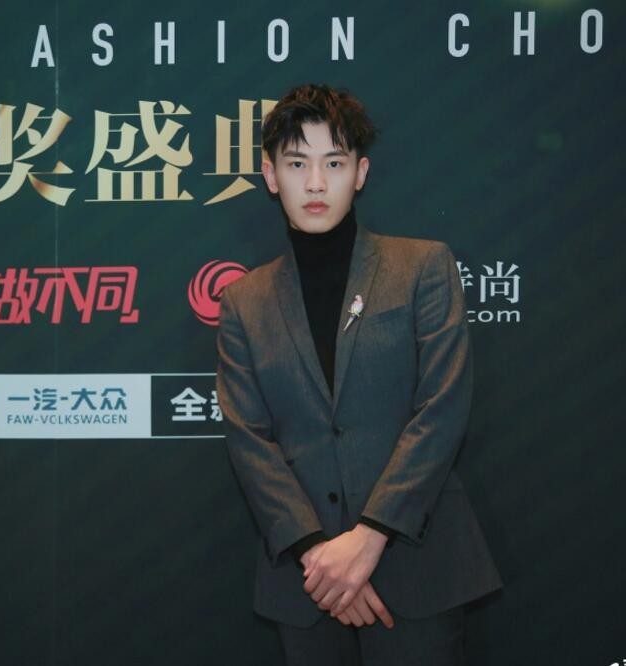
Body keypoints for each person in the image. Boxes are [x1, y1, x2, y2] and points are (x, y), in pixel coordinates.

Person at [215, 83, 502, 665]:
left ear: (361, 173)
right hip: (308, 581)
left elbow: (442, 407)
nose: (315, 183)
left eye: (334, 163)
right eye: (297, 163)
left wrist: (367, 541)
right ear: (270, 175)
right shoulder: (244, 301)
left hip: (415, 566)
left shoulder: (422, 267)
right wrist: (320, 558)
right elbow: (249, 438)